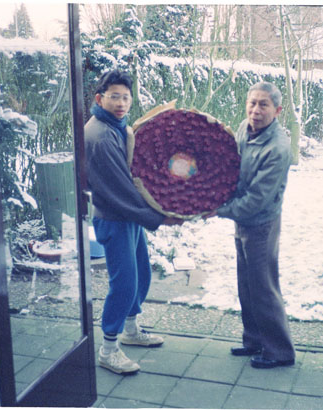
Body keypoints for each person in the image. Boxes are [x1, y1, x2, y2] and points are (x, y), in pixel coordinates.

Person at [85, 70, 182, 374]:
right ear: (99, 98)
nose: (121, 103)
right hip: (114, 218)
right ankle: (108, 349)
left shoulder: (116, 126)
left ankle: (130, 329)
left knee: (141, 274)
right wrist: (159, 217)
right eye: (114, 96)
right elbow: (120, 190)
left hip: (128, 218)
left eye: (126, 97)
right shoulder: (100, 136)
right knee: (124, 284)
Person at [207, 82, 295, 369]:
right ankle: (254, 341)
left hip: (261, 223)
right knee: (246, 284)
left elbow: (257, 200)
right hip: (242, 219)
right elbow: (231, 163)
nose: (256, 110)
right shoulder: (245, 128)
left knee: (263, 286)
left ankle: (279, 351)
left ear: (277, 110)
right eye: (252, 103)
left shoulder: (278, 148)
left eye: (263, 104)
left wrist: (219, 210)